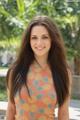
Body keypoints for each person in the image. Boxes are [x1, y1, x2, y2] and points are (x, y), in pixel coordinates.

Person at [6, 15, 72, 120]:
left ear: (52, 39)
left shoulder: (63, 72)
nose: (39, 43)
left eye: (45, 37)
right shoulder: (15, 71)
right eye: (34, 38)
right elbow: (11, 110)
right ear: (29, 41)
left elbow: (63, 114)